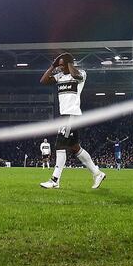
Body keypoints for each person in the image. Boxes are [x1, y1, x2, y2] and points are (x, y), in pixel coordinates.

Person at [39, 53, 105, 189]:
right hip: (65, 115)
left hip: (71, 115)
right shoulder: (60, 76)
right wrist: (53, 66)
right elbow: (43, 81)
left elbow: (76, 76)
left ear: (70, 64)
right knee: (75, 148)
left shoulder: (81, 74)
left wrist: (68, 63)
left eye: (63, 65)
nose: (61, 67)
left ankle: (55, 180)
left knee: (60, 145)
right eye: (60, 65)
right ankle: (97, 173)